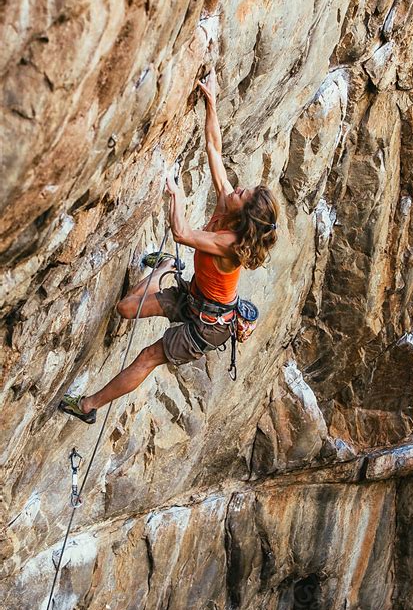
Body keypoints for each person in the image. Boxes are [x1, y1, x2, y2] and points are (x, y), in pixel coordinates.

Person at [59, 68, 279, 424]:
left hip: (208, 325)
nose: (238, 188)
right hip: (194, 297)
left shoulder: (229, 244)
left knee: (147, 356)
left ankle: (87, 407)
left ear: (246, 215)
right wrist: (211, 102)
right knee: (125, 309)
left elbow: (181, 233)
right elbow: (214, 147)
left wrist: (175, 193)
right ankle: (163, 268)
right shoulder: (228, 203)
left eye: (245, 193)